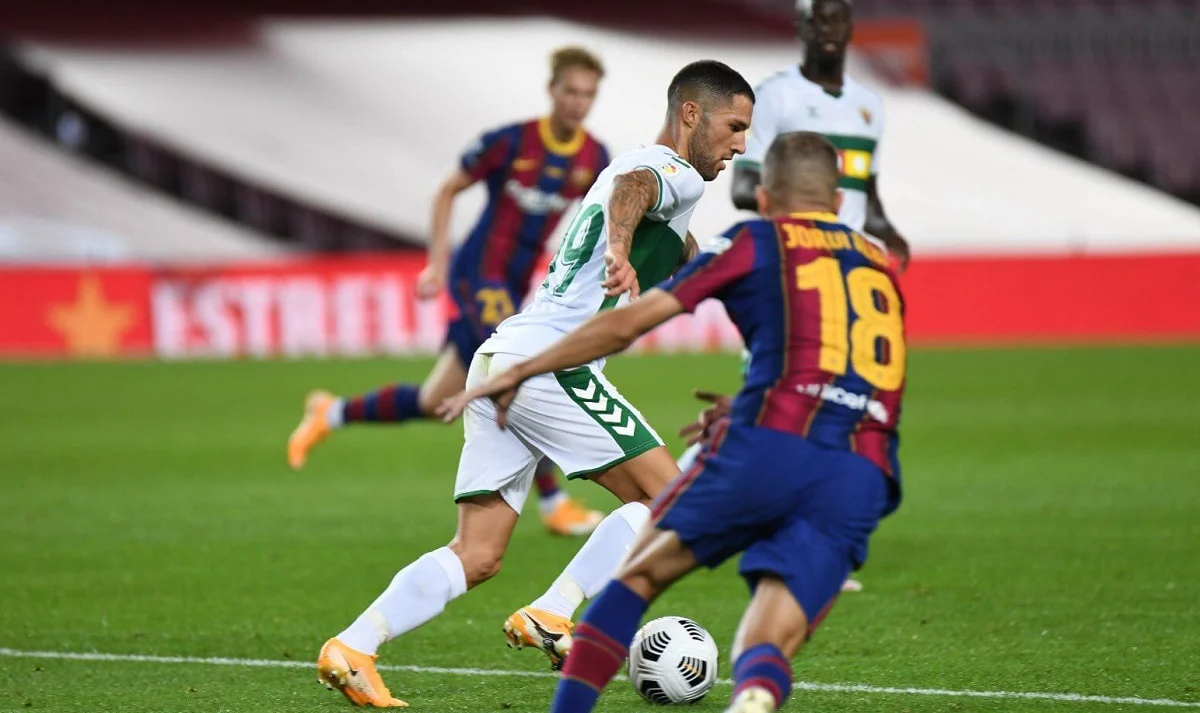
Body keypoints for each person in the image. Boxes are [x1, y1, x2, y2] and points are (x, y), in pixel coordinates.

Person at [313, 60, 754, 707]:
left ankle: (354, 647)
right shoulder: (669, 171)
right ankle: (553, 610)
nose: (741, 143)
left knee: (477, 552)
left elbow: (677, 244)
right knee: (673, 499)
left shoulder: (650, 175)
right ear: (692, 113)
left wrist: (719, 271)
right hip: (553, 367)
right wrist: (619, 249)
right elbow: (634, 192)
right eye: (734, 126)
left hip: (501, 359)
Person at [440, 131, 906, 713]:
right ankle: (755, 693)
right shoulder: (878, 263)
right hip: (863, 468)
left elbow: (626, 322)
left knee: (639, 568)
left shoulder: (754, 240)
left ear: (764, 199)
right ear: (837, 202)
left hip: (775, 444)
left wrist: (525, 367)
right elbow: (859, 374)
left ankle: (559, 627)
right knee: (774, 628)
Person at [287, 47, 611, 537]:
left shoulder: (593, 158)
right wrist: (435, 265)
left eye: (587, 94)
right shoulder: (510, 142)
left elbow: (597, 219)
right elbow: (446, 190)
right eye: (570, 91)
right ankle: (554, 503)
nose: (578, 103)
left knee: (435, 401)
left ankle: (330, 412)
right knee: (522, 371)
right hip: (477, 274)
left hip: (516, 283)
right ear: (552, 90)